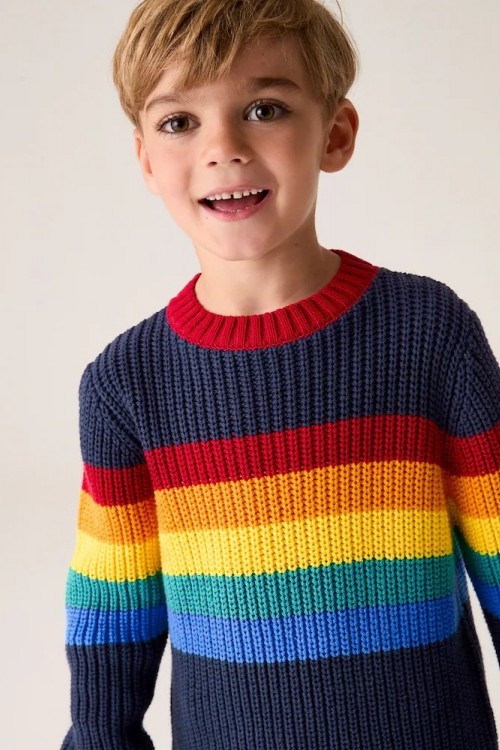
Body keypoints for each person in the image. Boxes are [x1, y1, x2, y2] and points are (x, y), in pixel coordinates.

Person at [60, 0, 500, 748]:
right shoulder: (126, 383)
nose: (222, 148)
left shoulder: (430, 334)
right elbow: (111, 621)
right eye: (179, 122)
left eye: (264, 109)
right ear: (146, 160)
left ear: (336, 133)